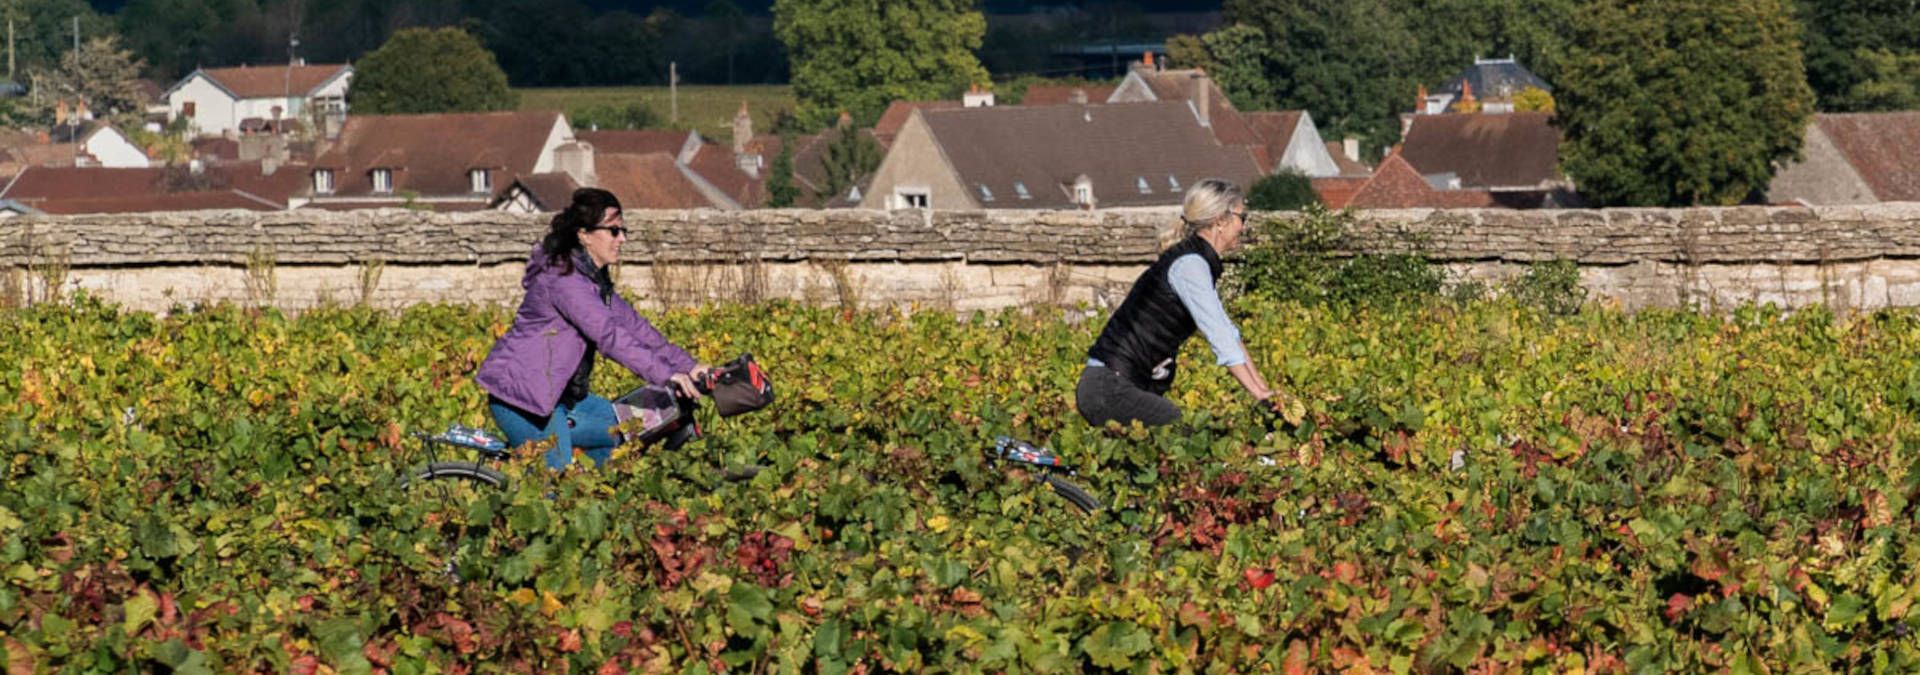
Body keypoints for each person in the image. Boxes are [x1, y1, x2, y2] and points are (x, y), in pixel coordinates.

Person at [475, 188, 708, 470]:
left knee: (626, 430)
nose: (622, 239)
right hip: (525, 401)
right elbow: (609, 336)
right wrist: (667, 375)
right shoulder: (564, 280)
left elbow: (637, 330)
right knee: (555, 494)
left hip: (561, 397)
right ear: (584, 235)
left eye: (623, 231)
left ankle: (599, 497)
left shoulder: (594, 283)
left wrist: (691, 366)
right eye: (613, 231)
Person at [1077, 178, 1283, 428]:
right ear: (1221, 220)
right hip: (1109, 386)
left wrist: (1264, 390)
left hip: (1114, 383)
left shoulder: (1194, 261)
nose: (1243, 226)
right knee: (1177, 432)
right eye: (1243, 217)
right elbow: (1218, 337)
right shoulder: (1190, 266)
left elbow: (1228, 331)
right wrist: (1257, 394)